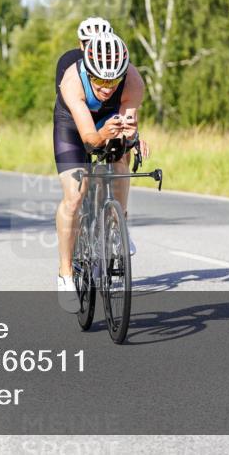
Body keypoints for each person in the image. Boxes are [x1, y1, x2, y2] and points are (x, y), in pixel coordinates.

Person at [53, 32, 148, 312]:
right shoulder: (72, 81)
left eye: (113, 81)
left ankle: (118, 224)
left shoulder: (133, 81)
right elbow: (90, 139)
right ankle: (65, 273)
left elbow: (128, 124)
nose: (107, 88)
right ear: (88, 70)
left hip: (109, 118)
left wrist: (131, 136)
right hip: (73, 125)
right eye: (100, 81)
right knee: (75, 195)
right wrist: (103, 134)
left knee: (120, 161)